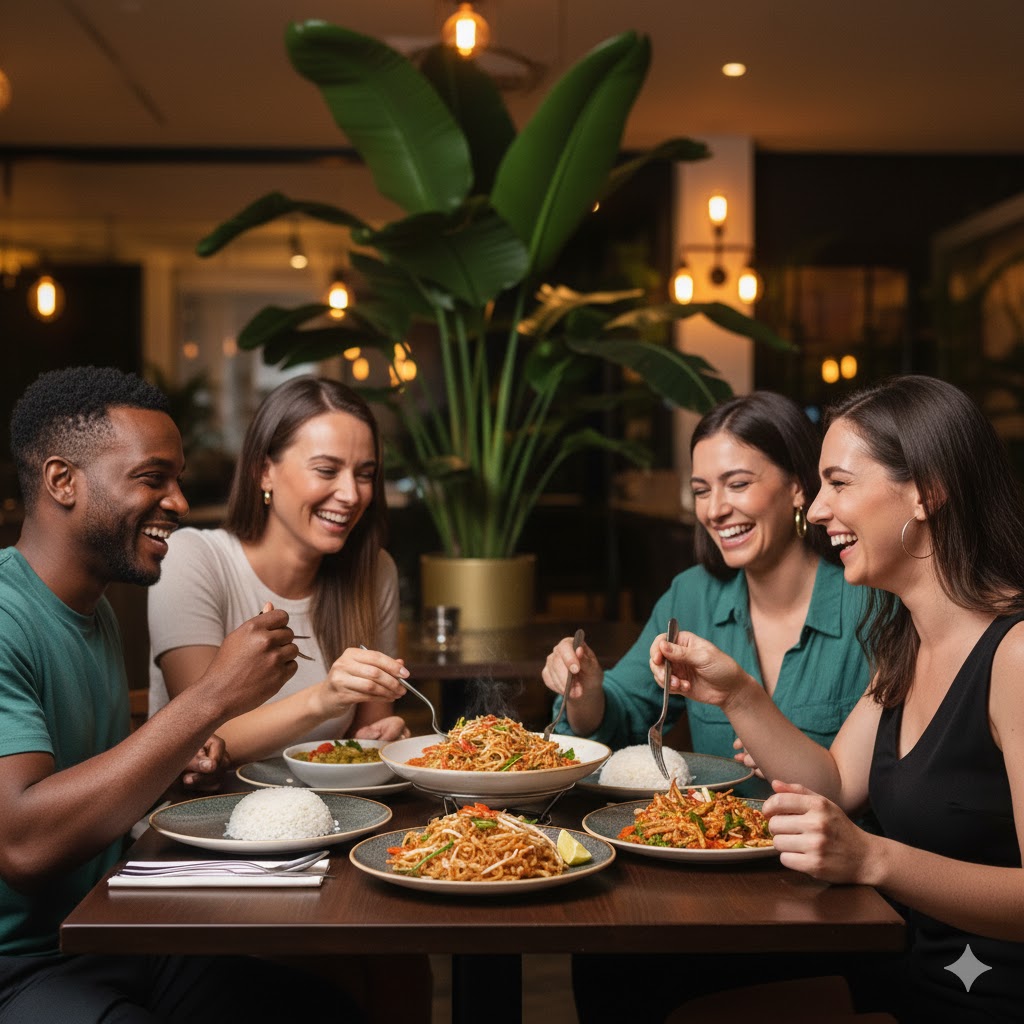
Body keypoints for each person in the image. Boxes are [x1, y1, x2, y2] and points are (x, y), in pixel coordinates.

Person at [651, 375, 1024, 1023]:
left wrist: (873, 857)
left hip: (986, 997)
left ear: (926, 492)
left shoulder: (1015, 655)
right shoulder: (905, 638)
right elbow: (831, 782)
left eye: (839, 484)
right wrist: (738, 693)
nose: (817, 511)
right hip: (911, 974)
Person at [0, 365, 362, 1021]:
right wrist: (212, 698)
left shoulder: (96, 610)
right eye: (151, 478)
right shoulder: (5, 616)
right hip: (22, 965)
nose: (177, 502)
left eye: (176, 480)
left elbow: (96, 783)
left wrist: (173, 769)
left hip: (113, 929)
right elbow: (24, 846)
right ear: (62, 482)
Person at [543, 390, 872, 793]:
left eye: (737, 484)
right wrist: (585, 692)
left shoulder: (870, 601)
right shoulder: (692, 595)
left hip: (834, 851)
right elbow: (622, 715)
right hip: (711, 847)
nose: (714, 510)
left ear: (798, 487)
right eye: (701, 490)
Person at [147, 375, 410, 780]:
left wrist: (383, 737)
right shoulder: (193, 559)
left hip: (333, 817)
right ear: (263, 471)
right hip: (199, 820)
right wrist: (324, 699)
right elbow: (198, 739)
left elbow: (367, 733)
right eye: (326, 470)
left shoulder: (375, 571)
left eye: (364, 474)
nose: (351, 494)